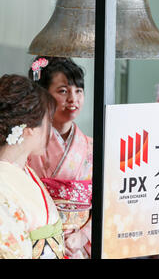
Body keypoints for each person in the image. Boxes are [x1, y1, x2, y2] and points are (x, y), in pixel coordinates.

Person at [27, 57, 93, 259]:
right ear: (44, 96)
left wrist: (83, 235)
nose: (73, 99)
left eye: (78, 91)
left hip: (78, 247)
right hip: (37, 243)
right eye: (63, 91)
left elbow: (108, 203)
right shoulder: (27, 146)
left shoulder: (93, 147)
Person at [0, 74, 65, 259]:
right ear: (29, 129)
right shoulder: (3, 183)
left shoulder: (24, 170)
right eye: (48, 123)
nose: (51, 131)